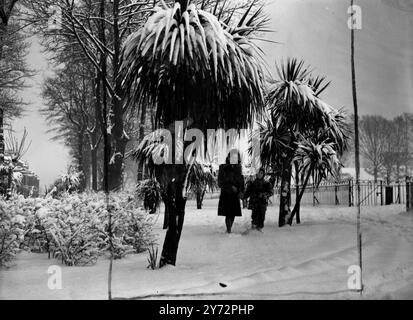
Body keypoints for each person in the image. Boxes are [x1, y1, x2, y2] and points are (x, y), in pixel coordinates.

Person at [217, 149, 245, 233]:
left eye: (235, 157)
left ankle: (229, 228)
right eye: (232, 157)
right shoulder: (223, 167)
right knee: (228, 213)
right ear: (228, 158)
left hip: (235, 195)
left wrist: (241, 191)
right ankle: (228, 229)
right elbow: (220, 182)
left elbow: (241, 181)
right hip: (226, 194)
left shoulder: (238, 168)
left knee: (233, 213)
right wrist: (230, 187)